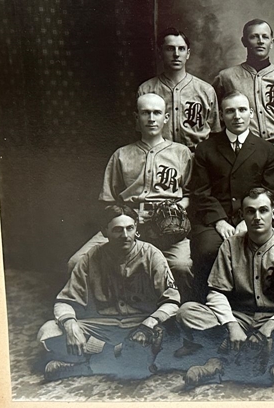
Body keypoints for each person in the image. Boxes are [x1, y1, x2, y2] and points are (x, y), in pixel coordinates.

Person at [175, 188, 274, 386]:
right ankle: (253, 362)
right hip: (239, 317)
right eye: (250, 211)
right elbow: (217, 292)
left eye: (263, 210)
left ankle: (219, 363)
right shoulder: (230, 245)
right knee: (186, 313)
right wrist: (232, 326)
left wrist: (270, 326)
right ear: (243, 215)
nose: (257, 217)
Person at [66, 94, 194, 292]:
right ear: (137, 118)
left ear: (166, 118)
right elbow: (108, 199)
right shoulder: (122, 154)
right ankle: (100, 312)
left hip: (167, 224)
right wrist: (123, 217)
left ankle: (175, 313)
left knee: (181, 266)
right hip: (127, 222)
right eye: (145, 113)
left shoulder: (182, 153)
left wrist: (176, 208)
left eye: (157, 113)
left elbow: (190, 194)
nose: (151, 118)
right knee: (76, 263)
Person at [38, 205, 181, 381]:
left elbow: (172, 302)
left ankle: (87, 366)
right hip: (102, 328)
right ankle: (122, 356)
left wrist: (148, 325)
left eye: (130, 228)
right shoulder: (92, 257)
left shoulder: (152, 255)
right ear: (105, 231)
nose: (125, 235)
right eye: (118, 230)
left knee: (167, 338)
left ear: (136, 229)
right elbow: (64, 301)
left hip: (141, 326)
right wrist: (71, 326)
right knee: (49, 332)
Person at [187, 91, 274, 301]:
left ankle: (249, 306)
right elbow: (200, 192)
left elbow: (272, 190)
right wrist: (219, 221)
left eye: (241, 110)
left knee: (259, 251)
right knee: (208, 250)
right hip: (212, 220)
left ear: (251, 113)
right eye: (230, 111)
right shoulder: (206, 148)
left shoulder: (266, 150)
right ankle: (208, 305)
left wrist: (246, 221)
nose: (237, 116)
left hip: (253, 217)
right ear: (221, 116)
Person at [212, 19, 274, 174]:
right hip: (240, 152)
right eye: (254, 37)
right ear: (244, 41)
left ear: (272, 41)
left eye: (265, 37)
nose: (260, 41)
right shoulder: (226, 78)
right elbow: (216, 120)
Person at [137, 27, 221, 150]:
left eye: (181, 49)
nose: (176, 54)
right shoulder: (146, 90)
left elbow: (215, 133)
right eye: (170, 49)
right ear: (160, 52)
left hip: (197, 159)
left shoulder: (205, 90)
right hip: (161, 157)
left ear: (188, 53)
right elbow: (141, 132)